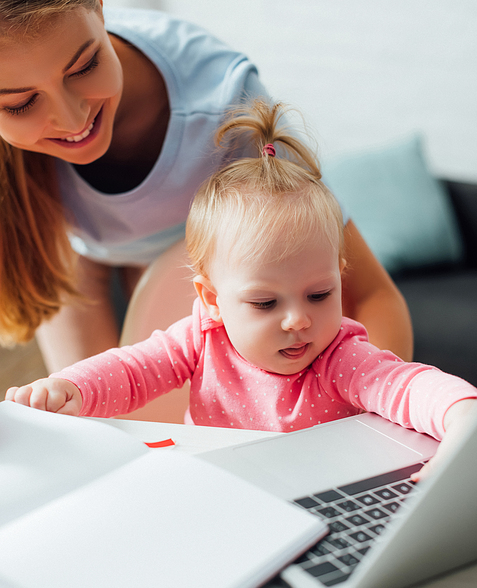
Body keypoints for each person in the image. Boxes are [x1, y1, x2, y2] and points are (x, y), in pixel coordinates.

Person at [6, 99, 477, 481]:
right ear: (212, 300)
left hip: (311, 498)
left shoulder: (339, 355)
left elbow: (406, 385)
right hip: (216, 488)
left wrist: (463, 416)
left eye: (320, 295)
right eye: (265, 303)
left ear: (339, 275)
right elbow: (130, 371)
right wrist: (69, 388)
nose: (299, 320)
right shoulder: (200, 338)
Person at [0, 0, 412, 397]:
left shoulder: (226, 104)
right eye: (20, 104)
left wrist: (367, 413)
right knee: (94, 426)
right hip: (73, 264)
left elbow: (372, 295)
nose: (73, 120)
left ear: (101, 8)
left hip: (190, 269)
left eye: (85, 66)